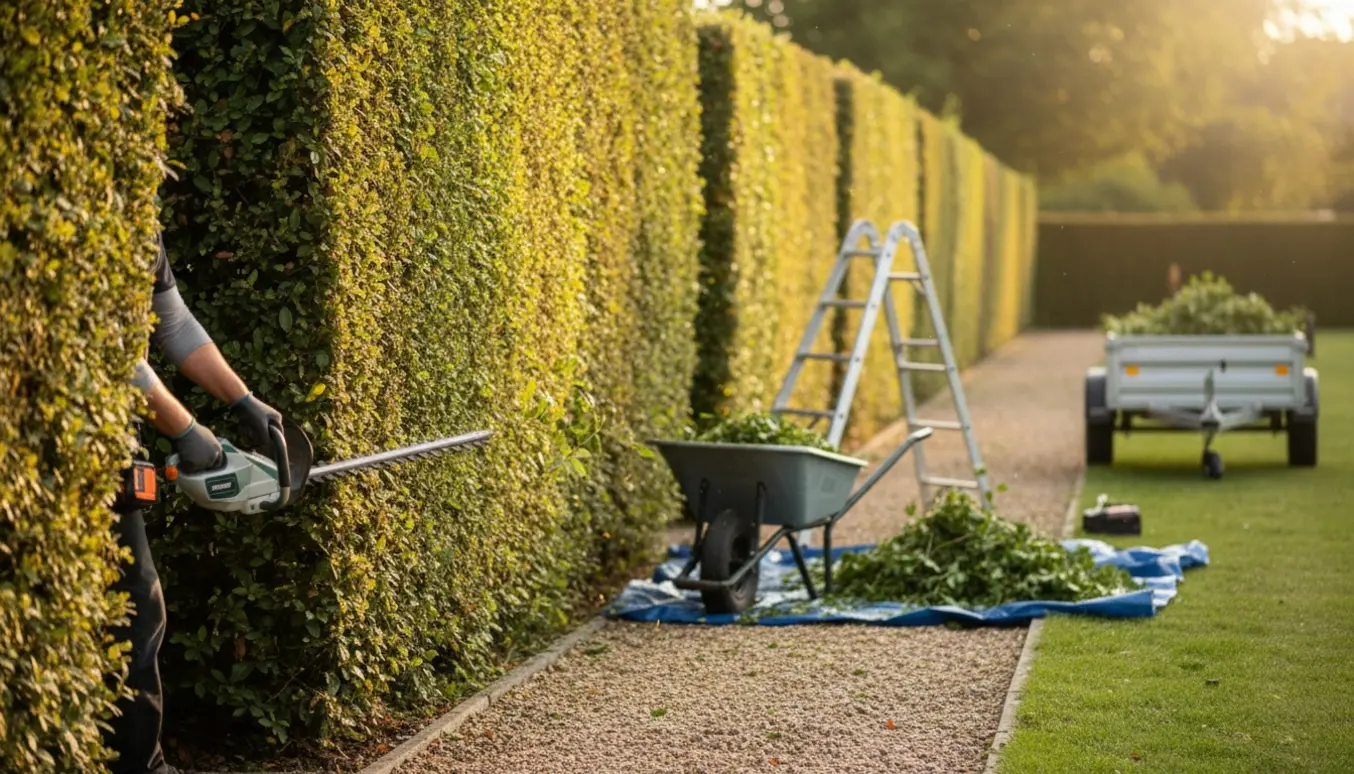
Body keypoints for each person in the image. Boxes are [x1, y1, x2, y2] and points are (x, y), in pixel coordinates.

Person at [108, 231, 284, 774]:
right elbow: (110, 352)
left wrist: (242, 399)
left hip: (114, 441)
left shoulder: (142, 221)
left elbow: (173, 322)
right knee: (132, 614)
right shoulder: (98, 209)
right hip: (69, 437)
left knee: (135, 611)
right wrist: (187, 430)